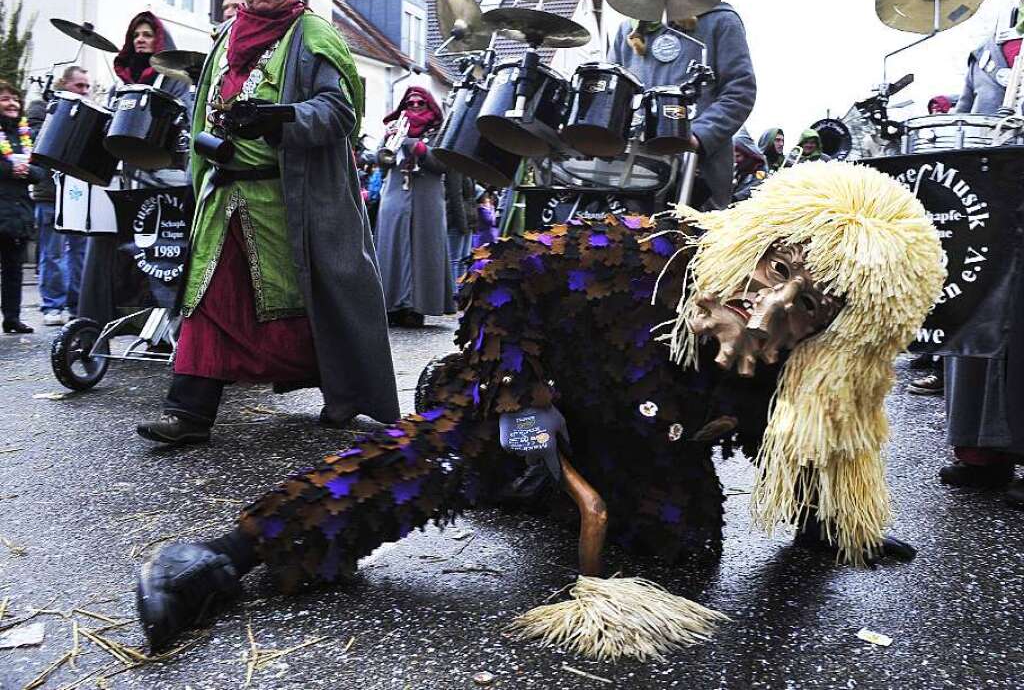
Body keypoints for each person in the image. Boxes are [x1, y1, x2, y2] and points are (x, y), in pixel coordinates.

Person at [133, 163, 943, 659]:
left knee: (680, 546)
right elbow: (499, 268)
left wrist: (831, 521)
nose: (771, 310)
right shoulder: (641, 254)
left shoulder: (807, 366)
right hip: (527, 404)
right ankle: (221, 553)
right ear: (756, 239)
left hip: (633, 444)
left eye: (811, 306)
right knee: (449, 450)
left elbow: (801, 439)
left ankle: (541, 490)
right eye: (776, 270)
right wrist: (524, 402)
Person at [136, 0, 398, 445]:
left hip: (290, 204)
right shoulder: (225, 39)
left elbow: (340, 113)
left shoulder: (317, 36)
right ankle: (189, 413)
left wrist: (281, 119)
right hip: (223, 198)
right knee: (207, 299)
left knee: (311, 304)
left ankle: (342, 391)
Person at [928, 0, 1024, 504]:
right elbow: (966, 117)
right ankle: (982, 454)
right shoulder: (983, 53)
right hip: (991, 196)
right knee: (979, 316)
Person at [608, 0, 756, 210]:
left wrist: (699, 136)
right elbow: (615, 93)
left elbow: (740, 91)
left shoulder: (720, 20)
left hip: (699, 169)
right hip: (634, 167)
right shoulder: (628, 31)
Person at [77, 10, 193, 330]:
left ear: (160, 40)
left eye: (147, 35)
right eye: (136, 36)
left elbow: (184, 119)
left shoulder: (178, 78)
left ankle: (170, 327)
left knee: (161, 252)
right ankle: (95, 325)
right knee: (110, 247)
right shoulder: (122, 84)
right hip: (127, 176)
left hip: (165, 175)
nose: (141, 40)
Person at [374, 86, 454, 327]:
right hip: (396, 196)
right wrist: (390, 140)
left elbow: (445, 164)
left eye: (421, 103)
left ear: (429, 105)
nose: (416, 106)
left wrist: (419, 148)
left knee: (424, 250)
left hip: (427, 199)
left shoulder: (440, 130)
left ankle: (417, 307)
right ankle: (391, 305)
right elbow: (380, 160)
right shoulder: (395, 127)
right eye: (411, 103)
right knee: (391, 247)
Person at [25, 66, 91, 326]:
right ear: (63, 84)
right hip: (50, 193)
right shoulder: (42, 108)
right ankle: (52, 305)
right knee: (52, 253)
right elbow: (37, 138)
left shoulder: (89, 113)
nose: (84, 91)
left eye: (87, 86)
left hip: (78, 194)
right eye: (79, 86)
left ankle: (77, 305)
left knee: (79, 252)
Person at [0, 81, 48, 333]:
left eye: (16, 100)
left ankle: (12, 317)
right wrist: (10, 168)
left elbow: (41, 171)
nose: (12, 104)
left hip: (17, 213)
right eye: (5, 99)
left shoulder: (24, 135)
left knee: (13, 269)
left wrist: (26, 170)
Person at [731, 126, 767, 202]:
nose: (735, 160)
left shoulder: (760, 167)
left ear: (747, 154)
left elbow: (757, 186)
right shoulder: (739, 168)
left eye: (738, 156)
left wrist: (735, 198)